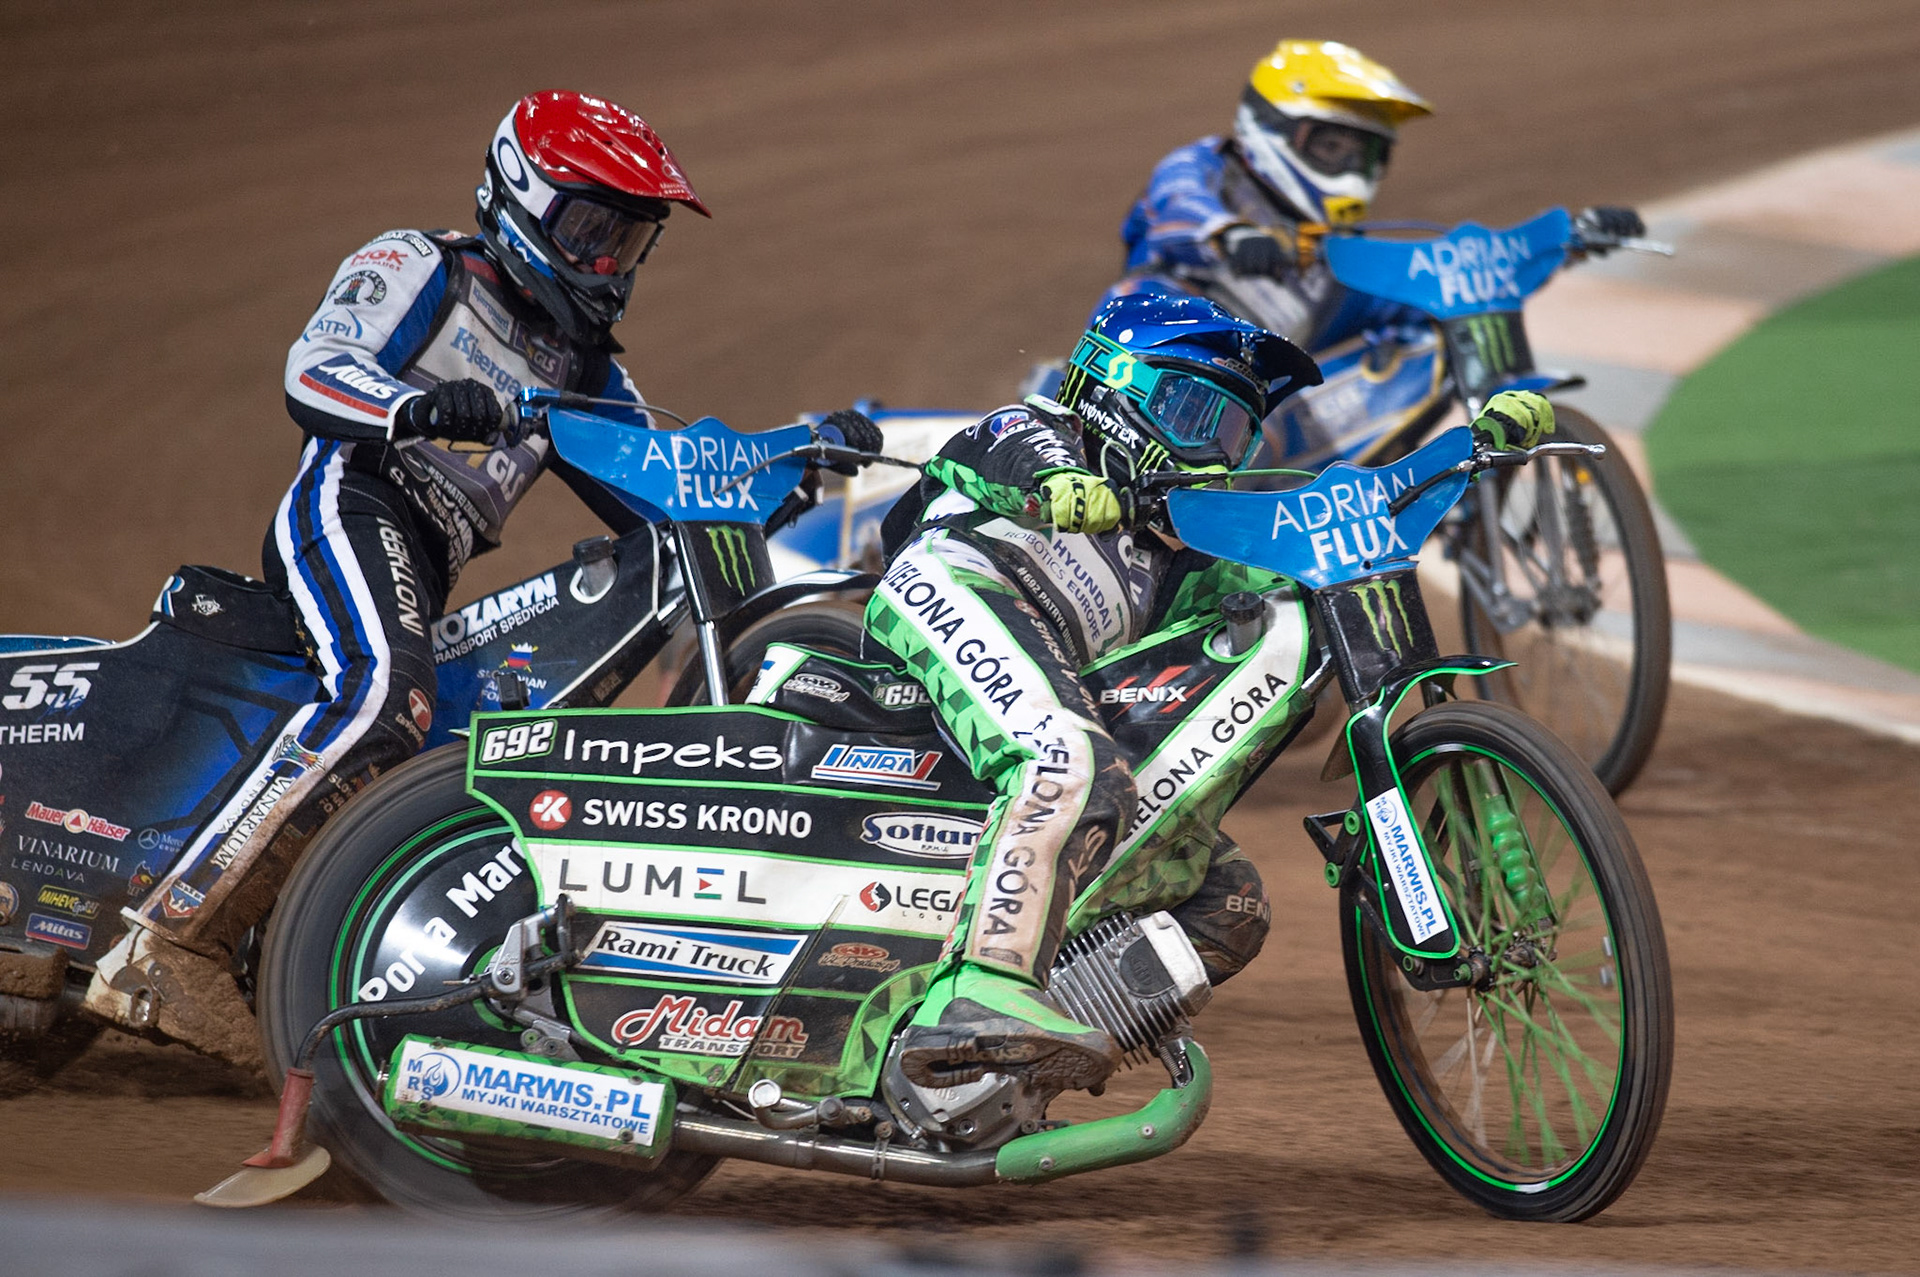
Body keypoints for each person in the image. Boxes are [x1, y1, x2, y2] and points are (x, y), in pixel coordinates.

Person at [84, 90, 872, 1065]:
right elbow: (313, 369)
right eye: (588, 228)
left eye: (627, 241)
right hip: (354, 501)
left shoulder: (585, 367)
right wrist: (412, 407)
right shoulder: (424, 265)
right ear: (520, 198)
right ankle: (169, 939)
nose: (604, 262)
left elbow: (667, 492)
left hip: (424, 560)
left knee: (445, 747)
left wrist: (802, 461)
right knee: (386, 700)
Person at [871, 291, 1555, 1093]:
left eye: (1234, 430)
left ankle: (984, 1083)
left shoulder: (1186, 553)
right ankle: (981, 990)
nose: (1216, 451)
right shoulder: (1039, 429)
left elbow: (1296, 568)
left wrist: (1466, 447)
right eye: (1194, 412)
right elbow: (1003, 453)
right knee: (1071, 758)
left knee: (1229, 900)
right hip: (953, 585)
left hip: (1044, 670)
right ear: (1111, 388)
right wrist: (1064, 486)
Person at [1104, 38, 1646, 352]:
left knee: (1423, 353)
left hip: (1257, 420)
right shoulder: (1206, 172)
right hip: (1142, 361)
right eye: (1334, 146)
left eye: (1363, 155)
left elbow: (1443, 284)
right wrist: (1233, 235)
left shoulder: (1344, 259)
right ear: (1270, 128)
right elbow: (1175, 201)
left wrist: (1563, 245)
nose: (1350, 169)